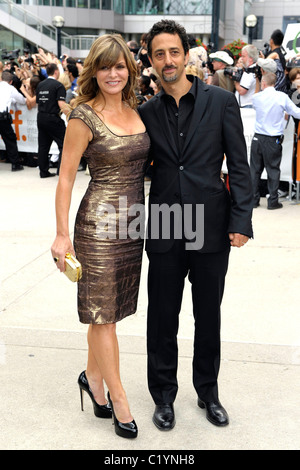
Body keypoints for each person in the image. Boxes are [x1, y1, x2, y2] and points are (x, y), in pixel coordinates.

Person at [139, 19, 253, 431]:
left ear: (186, 55)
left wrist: (242, 219)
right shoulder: (145, 113)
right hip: (166, 227)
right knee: (162, 317)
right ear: (150, 61)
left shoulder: (221, 102)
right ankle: (163, 396)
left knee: (209, 316)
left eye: (173, 52)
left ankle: (208, 392)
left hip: (211, 227)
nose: (167, 60)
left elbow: (240, 167)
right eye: (158, 54)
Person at [51, 34, 150, 439]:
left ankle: (92, 378)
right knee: (104, 316)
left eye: (120, 66)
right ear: (95, 70)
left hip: (132, 227)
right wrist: (61, 236)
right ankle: (119, 399)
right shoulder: (82, 117)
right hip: (97, 228)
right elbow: (65, 178)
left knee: (108, 312)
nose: (114, 73)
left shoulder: (137, 110)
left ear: (129, 70)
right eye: (106, 66)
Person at [250, 72, 300, 210]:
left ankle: (253, 200)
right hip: (273, 139)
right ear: (275, 83)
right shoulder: (281, 97)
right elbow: (296, 112)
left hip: (257, 138)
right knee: (273, 170)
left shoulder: (257, 97)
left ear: (264, 83)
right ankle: (272, 201)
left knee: (254, 170)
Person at [36, 63, 69, 178]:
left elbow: (38, 102)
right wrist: (71, 114)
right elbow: (61, 104)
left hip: (40, 117)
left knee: (43, 146)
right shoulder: (58, 86)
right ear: (56, 72)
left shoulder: (40, 85)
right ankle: (61, 171)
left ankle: (43, 172)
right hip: (53, 118)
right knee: (64, 144)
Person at [0, 70, 27, 171]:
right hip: (2, 117)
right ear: (11, 81)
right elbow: (21, 100)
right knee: (10, 140)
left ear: (1, 79)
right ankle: (15, 164)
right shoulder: (10, 89)